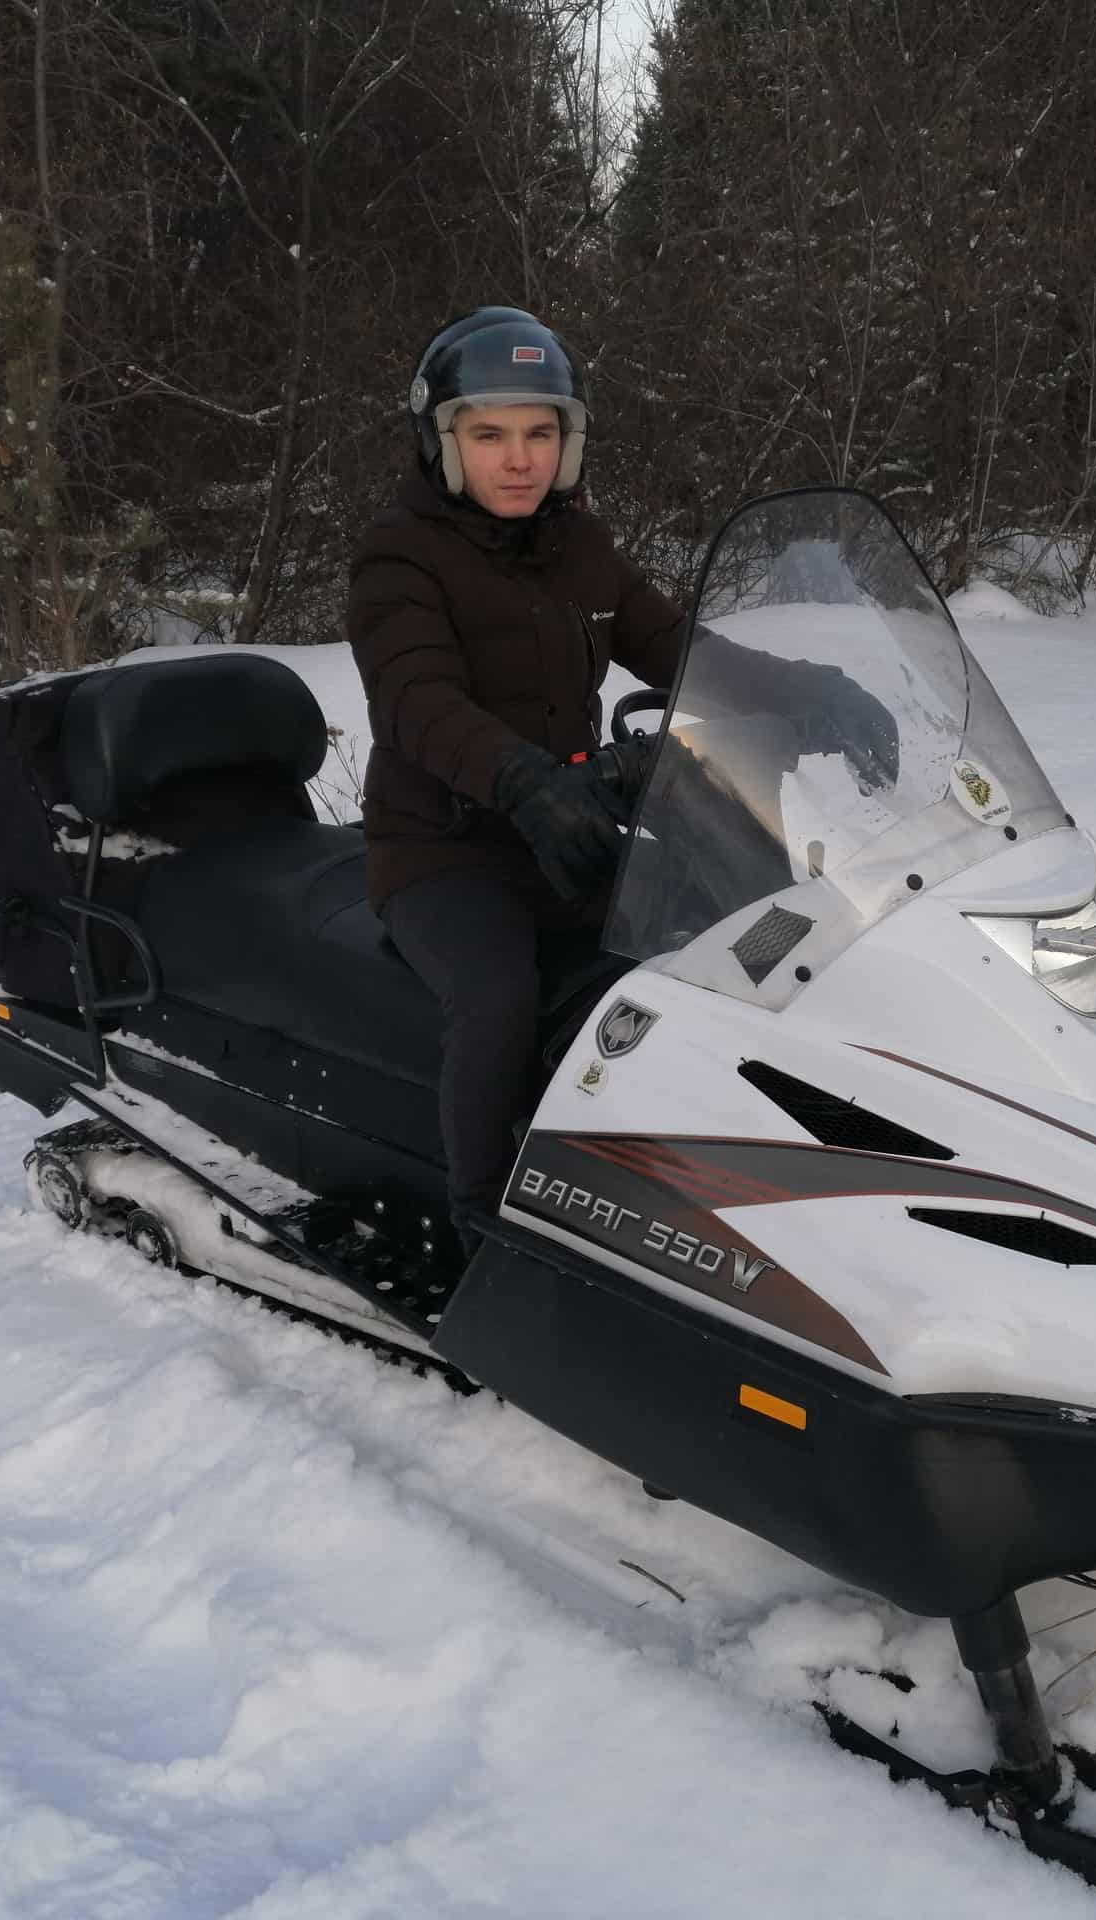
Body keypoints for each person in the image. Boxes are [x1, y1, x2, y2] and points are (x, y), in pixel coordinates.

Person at [347, 308, 684, 1243]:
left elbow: (671, 641)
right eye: (489, 433)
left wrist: (802, 691)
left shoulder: (580, 548)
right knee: (499, 999)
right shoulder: (399, 557)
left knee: (705, 946)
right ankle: (483, 1225)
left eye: (541, 433)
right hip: (443, 853)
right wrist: (522, 780)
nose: (519, 459)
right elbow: (416, 701)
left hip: (565, 830)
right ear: (443, 441)